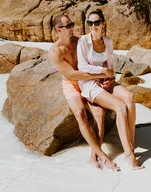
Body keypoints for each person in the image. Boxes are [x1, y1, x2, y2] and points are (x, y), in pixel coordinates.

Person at [48, 14, 119, 171]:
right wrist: (102, 74)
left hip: (87, 82)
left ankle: (94, 156)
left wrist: (109, 78)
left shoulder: (80, 41)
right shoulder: (55, 52)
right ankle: (104, 157)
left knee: (100, 114)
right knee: (80, 113)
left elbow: (96, 59)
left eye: (72, 24)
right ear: (58, 30)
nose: (72, 28)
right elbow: (72, 75)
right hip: (71, 84)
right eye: (68, 26)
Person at [77, 9, 144, 170]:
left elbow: (111, 66)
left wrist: (110, 78)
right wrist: (102, 72)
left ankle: (130, 146)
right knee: (120, 107)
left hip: (106, 80)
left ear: (103, 24)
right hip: (89, 83)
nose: (93, 26)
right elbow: (82, 66)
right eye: (90, 23)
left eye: (96, 22)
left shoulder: (108, 41)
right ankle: (129, 155)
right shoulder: (83, 42)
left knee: (129, 98)